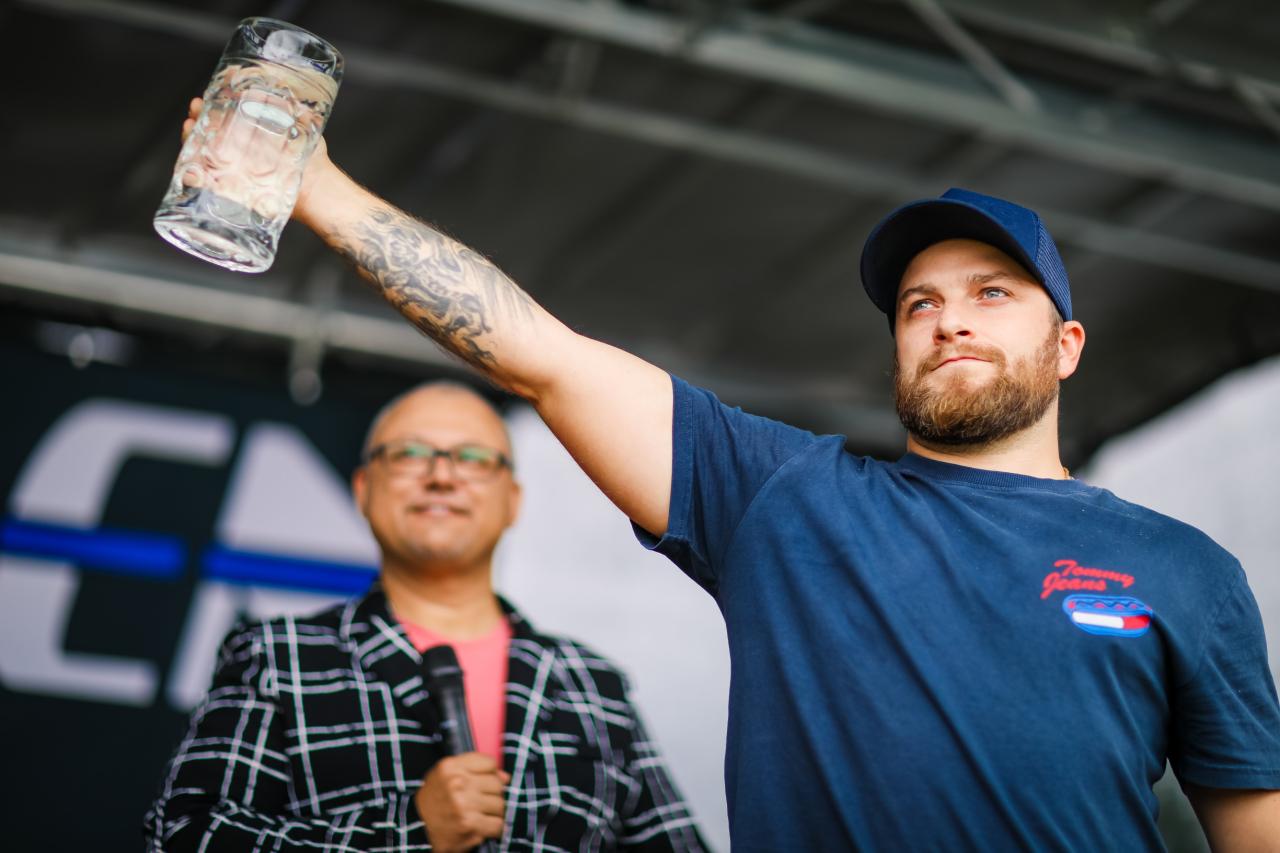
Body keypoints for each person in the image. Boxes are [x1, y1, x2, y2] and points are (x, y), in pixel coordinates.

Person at [176, 100, 1280, 849]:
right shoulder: (786, 497)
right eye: (918, 304)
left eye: (992, 293)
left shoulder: (1185, 571)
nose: (949, 320)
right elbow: (538, 352)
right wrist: (314, 186)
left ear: (1067, 345)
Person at [145, 382, 708, 852]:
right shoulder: (279, 657)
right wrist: (410, 833)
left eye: (474, 458)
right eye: (410, 454)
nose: (442, 476)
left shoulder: (591, 685)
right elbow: (184, 836)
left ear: (512, 500)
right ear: (364, 491)